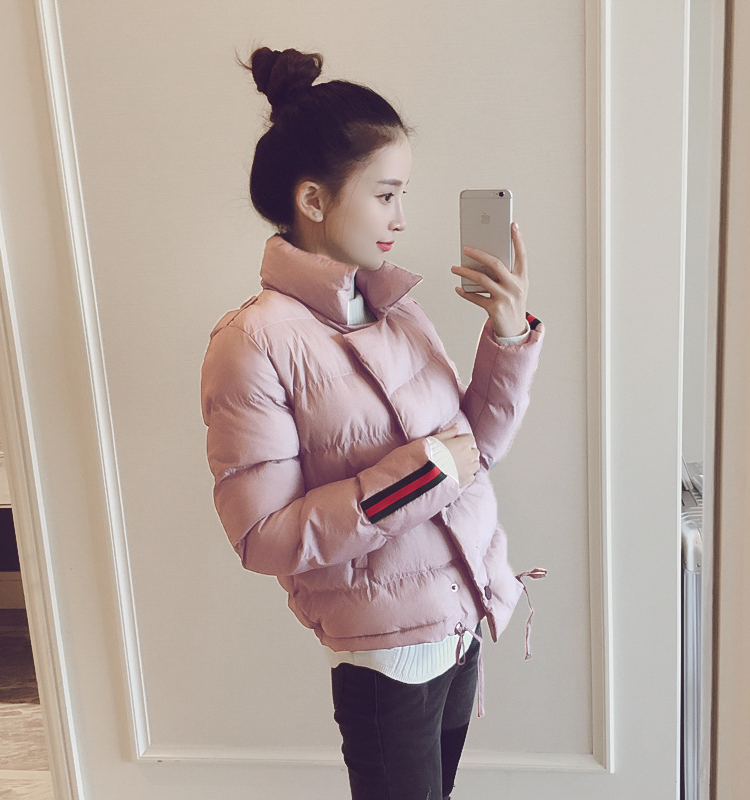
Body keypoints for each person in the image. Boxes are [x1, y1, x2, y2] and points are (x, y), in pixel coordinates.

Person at [200, 46, 546, 800]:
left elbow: (475, 452)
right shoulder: (252, 342)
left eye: (402, 194)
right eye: (386, 194)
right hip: (386, 659)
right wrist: (426, 474)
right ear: (314, 200)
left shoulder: (394, 309)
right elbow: (264, 537)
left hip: (461, 624)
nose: (401, 217)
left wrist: (507, 334)